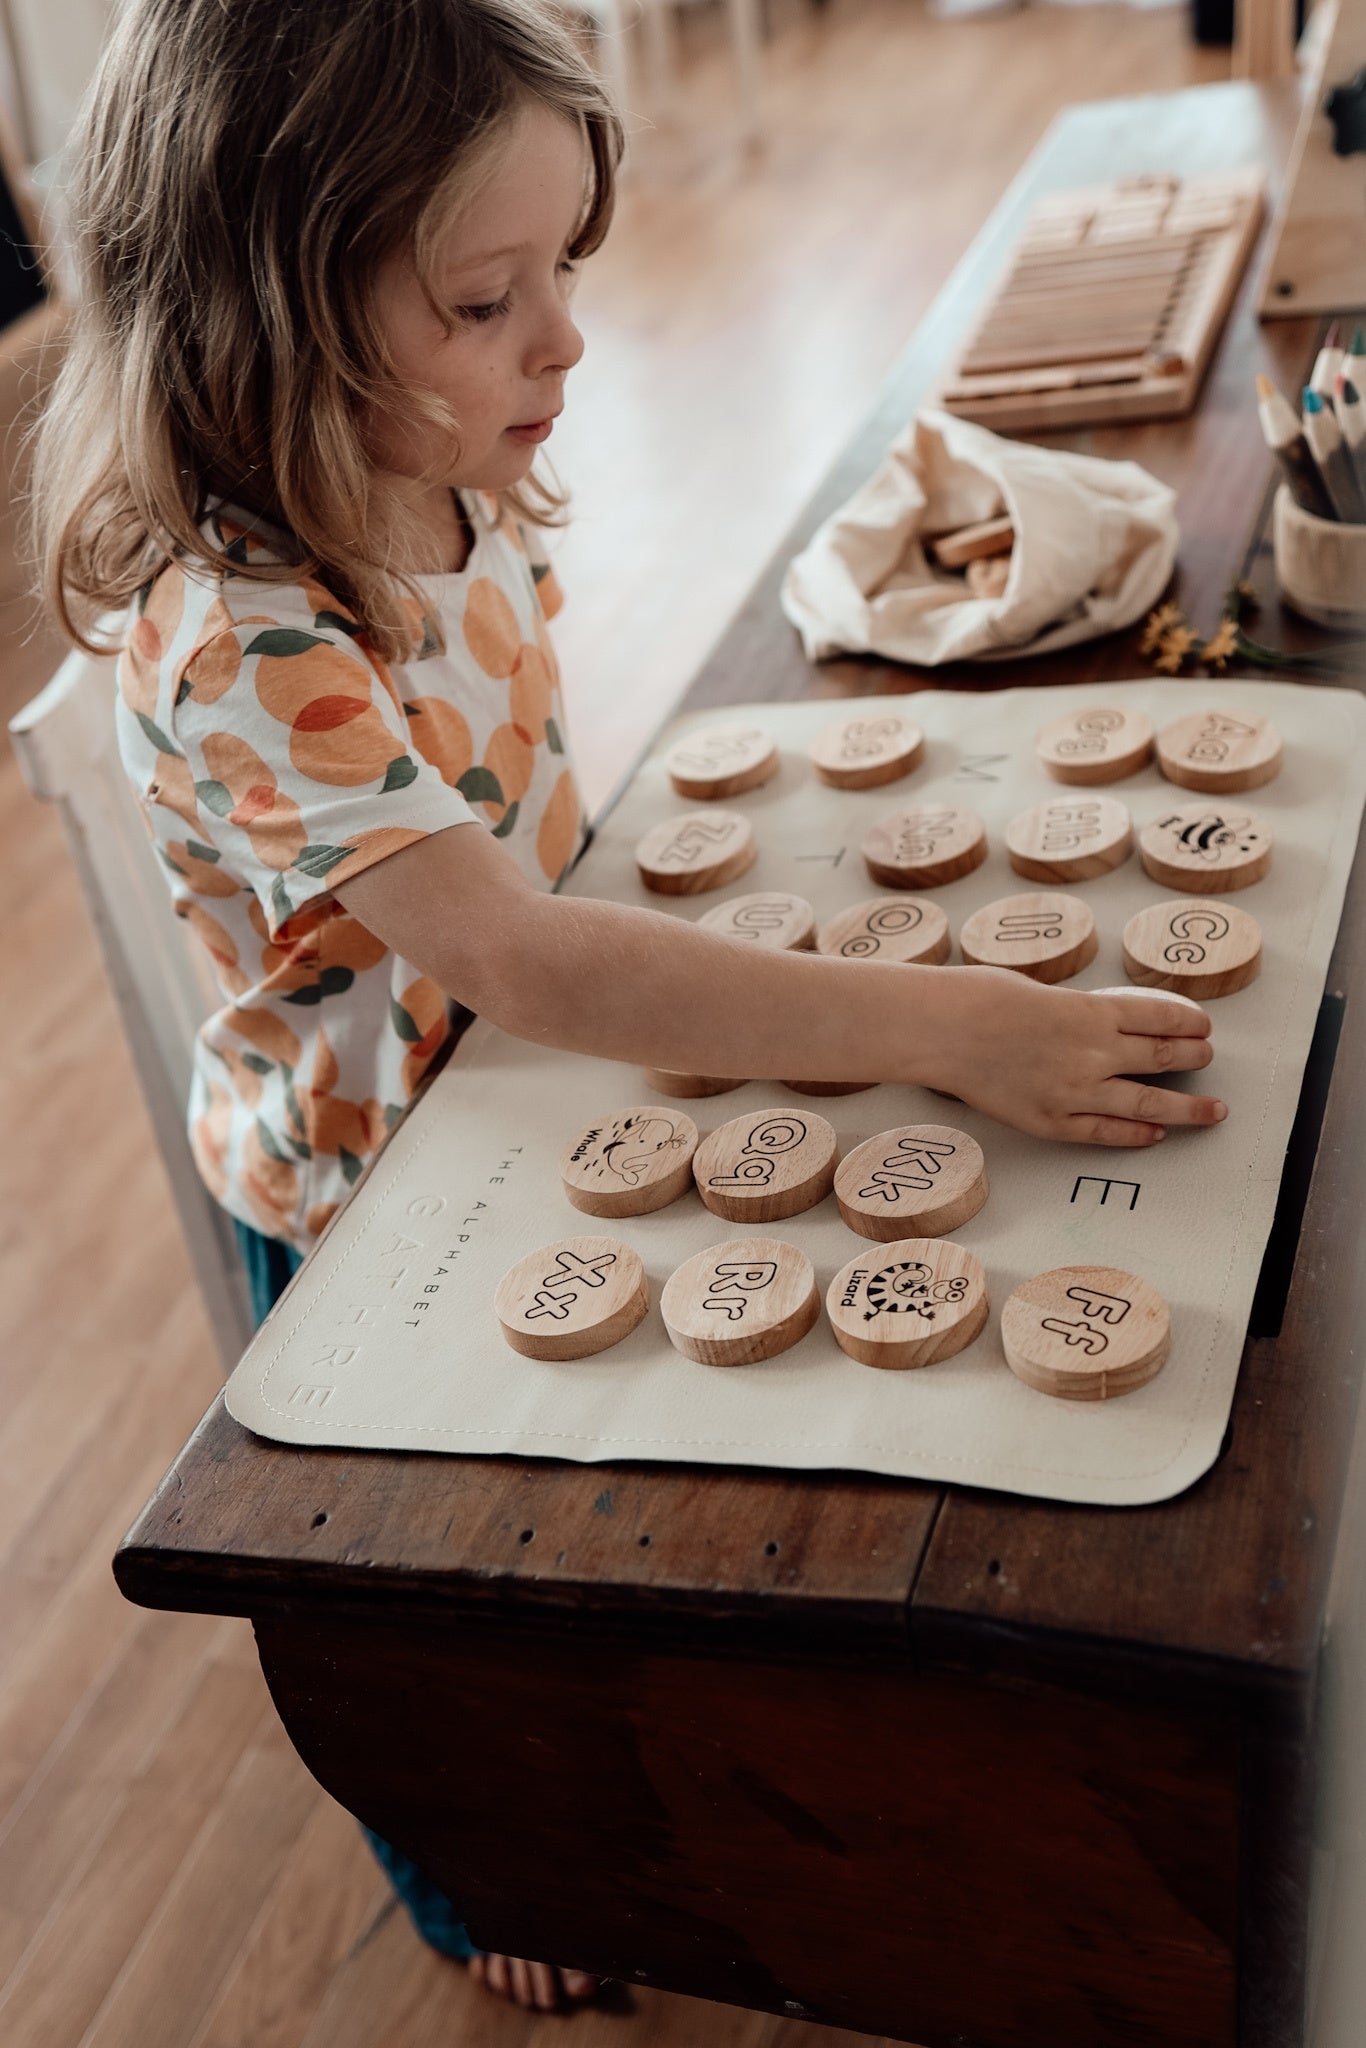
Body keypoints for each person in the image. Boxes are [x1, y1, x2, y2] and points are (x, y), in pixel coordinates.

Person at [32, 0, 1225, 2012]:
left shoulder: (437, 461)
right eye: (489, 299)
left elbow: (520, 856)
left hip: (517, 1083)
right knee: (440, 1614)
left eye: (560, 269)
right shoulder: (232, 635)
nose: (563, 339)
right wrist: (953, 1025)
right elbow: (520, 953)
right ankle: (465, 1860)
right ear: (267, 324)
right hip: (360, 1187)